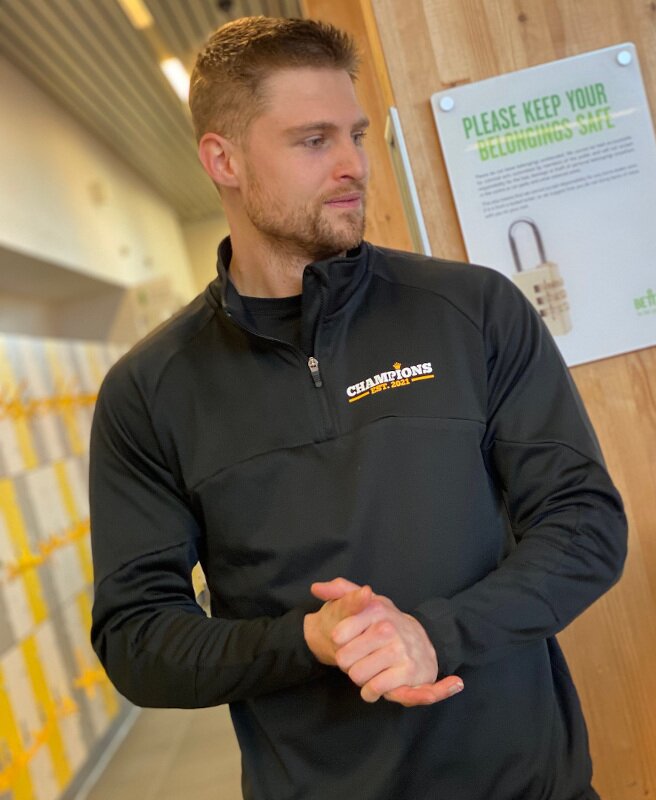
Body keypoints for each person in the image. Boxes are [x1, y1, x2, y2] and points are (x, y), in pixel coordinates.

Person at [89, 15, 627, 800]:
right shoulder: (151, 391)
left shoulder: (472, 310)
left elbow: (586, 525)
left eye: (357, 135)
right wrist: (307, 640)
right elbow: (138, 638)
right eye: (313, 141)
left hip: (529, 783)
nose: (351, 166)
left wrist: (433, 635)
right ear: (223, 159)